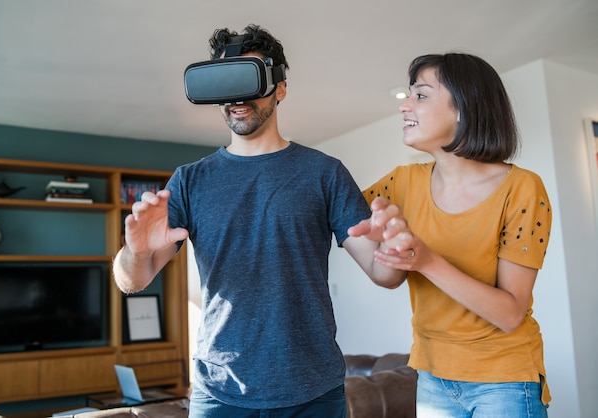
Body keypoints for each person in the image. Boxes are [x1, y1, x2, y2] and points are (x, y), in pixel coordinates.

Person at [113, 24, 401, 418]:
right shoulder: (189, 181)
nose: (236, 98)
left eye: (247, 79)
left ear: (279, 88)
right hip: (219, 394)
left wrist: (394, 249)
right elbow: (133, 281)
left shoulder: (324, 173)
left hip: (314, 391)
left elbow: (384, 273)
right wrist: (135, 250)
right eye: (225, 82)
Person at [349, 53, 552, 417]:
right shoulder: (402, 182)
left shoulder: (522, 188)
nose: (404, 106)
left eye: (421, 95)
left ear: (464, 109)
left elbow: (509, 313)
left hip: (503, 379)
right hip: (431, 376)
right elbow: (342, 217)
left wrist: (424, 261)